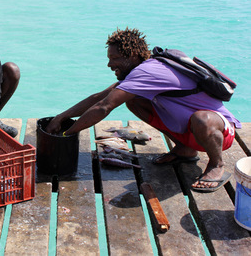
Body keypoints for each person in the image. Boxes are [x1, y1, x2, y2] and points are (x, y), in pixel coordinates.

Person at [46, 27, 241, 192]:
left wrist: (67, 133)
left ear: (132, 56)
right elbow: (99, 97)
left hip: (219, 132)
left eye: (114, 58)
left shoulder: (147, 71)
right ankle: (185, 150)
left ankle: (217, 165)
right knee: (134, 101)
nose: (109, 64)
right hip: (191, 133)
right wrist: (61, 117)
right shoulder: (143, 71)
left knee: (202, 119)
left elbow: (104, 107)